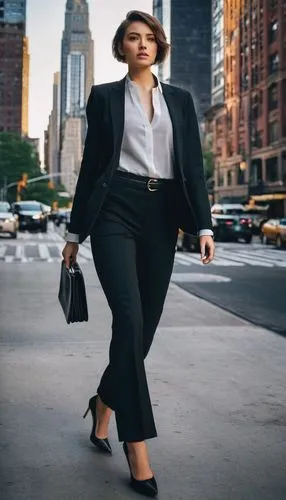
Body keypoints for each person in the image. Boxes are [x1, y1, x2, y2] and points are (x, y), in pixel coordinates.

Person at [62, 10, 215, 498]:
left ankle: (104, 399)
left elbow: (191, 166)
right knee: (127, 318)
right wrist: (74, 231)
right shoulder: (105, 98)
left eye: (150, 38)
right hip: (114, 210)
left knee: (143, 329)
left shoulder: (182, 101)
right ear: (120, 47)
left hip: (161, 215)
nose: (143, 45)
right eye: (133, 38)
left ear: (159, 47)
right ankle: (137, 444)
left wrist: (204, 223)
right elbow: (92, 166)